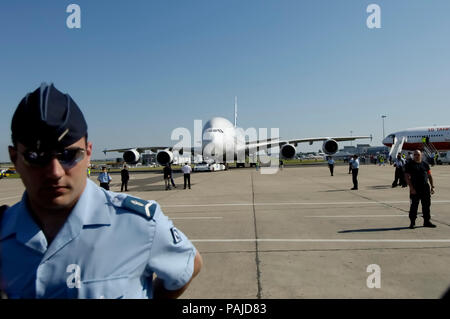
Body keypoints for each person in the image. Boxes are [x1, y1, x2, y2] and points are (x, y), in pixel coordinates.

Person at [0, 83, 202, 298]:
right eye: (36, 156)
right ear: (15, 159)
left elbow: (189, 266)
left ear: (88, 153)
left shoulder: (140, 224)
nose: (55, 172)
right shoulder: (3, 231)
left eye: (69, 155)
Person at [404, 150, 436, 229]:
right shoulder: (409, 165)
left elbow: (429, 175)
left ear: (421, 155)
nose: (416, 156)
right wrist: (411, 188)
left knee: (426, 206)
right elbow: (407, 177)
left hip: (425, 188)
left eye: (418, 154)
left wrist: (432, 186)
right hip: (415, 188)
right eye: (415, 154)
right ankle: (412, 222)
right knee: (414, 206)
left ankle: (426, 221)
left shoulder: (425, 164)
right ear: (413, 155)